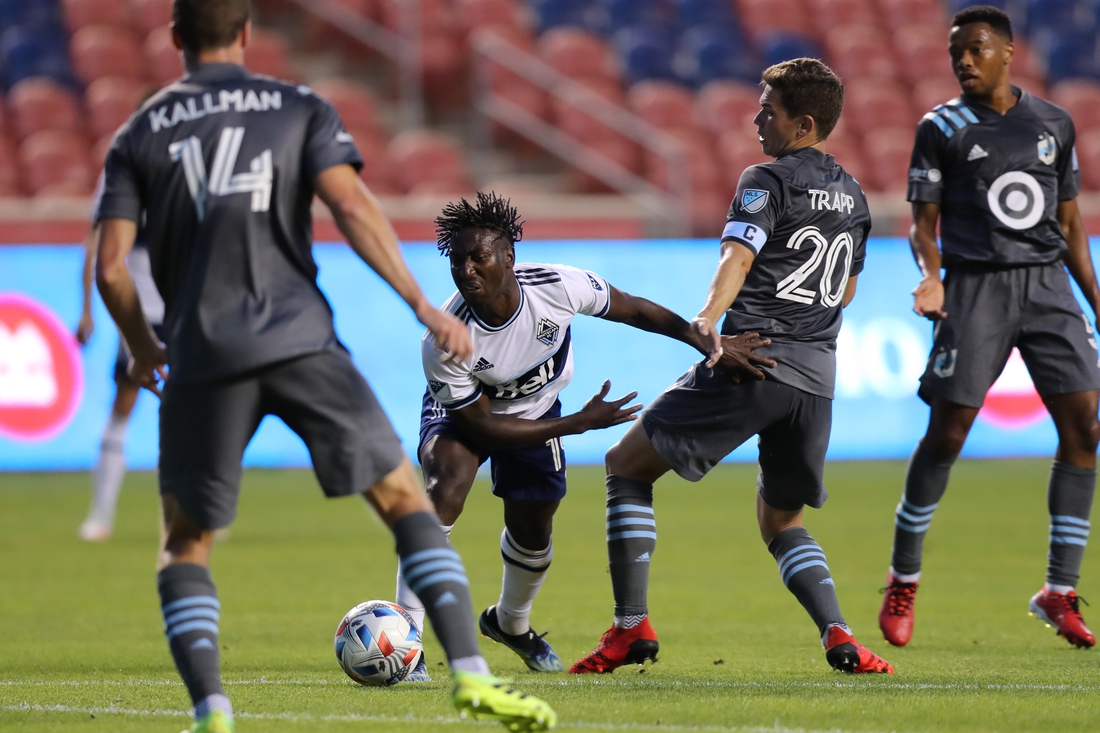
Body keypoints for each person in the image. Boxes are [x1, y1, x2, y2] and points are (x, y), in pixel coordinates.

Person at [93, 2, 556, 732]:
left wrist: (143, 345)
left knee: (186, 538)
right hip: (301, 340)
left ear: (176, 38)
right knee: (409, 499)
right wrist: (421, 305)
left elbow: (113, 268)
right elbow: (352, 207)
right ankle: (471, 674)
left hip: (203, 354)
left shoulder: (140, 131)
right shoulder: (295, 107)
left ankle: (211, 711)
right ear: (247, 33)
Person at [570, 57, 894, 676]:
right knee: (781, 518)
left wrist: (708, 318)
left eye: (767, 109)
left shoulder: (765, 179)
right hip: (816, 381)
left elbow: (737, 257)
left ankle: (629, 628)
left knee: (625, 466)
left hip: (754, 361)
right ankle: (839, 635)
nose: (754, 119)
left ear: (802, 123)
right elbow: (845, 292)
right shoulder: (854, 195)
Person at [396, 191, 772, 672]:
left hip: (536, 410)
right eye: (457, 261)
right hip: (471, 415)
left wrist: (703, 341)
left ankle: (510, 623)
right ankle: (407, 637)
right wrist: (578, 423)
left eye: (478, 257)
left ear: (508, 255)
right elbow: (481, 427)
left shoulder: (557, 286)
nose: (467, 270)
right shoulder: (444, 339)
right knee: (444, 483)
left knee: (533, 531)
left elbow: (634, 310)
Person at [879, 5, 1100, 650]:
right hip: (976, 288)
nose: (964, 61)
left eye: (975, 49)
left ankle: (1058, 591)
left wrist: (1093, 299)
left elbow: (1070, 224)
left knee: (1085, 432)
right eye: (957, 53)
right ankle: (904, 578)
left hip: (1047, 287)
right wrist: (931, 274)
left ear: (1007, 52)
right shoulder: (940, 127)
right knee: (947, 434)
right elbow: (923, 222)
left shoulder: (1053, 124)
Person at [76, 176, 166, 542]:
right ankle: (100, 514)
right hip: (139, 316)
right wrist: (87, 310)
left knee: (195, 416)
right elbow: (96, 246)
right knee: (124, 406)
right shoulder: (124, 171)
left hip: (188, 316)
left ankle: (193, 515)